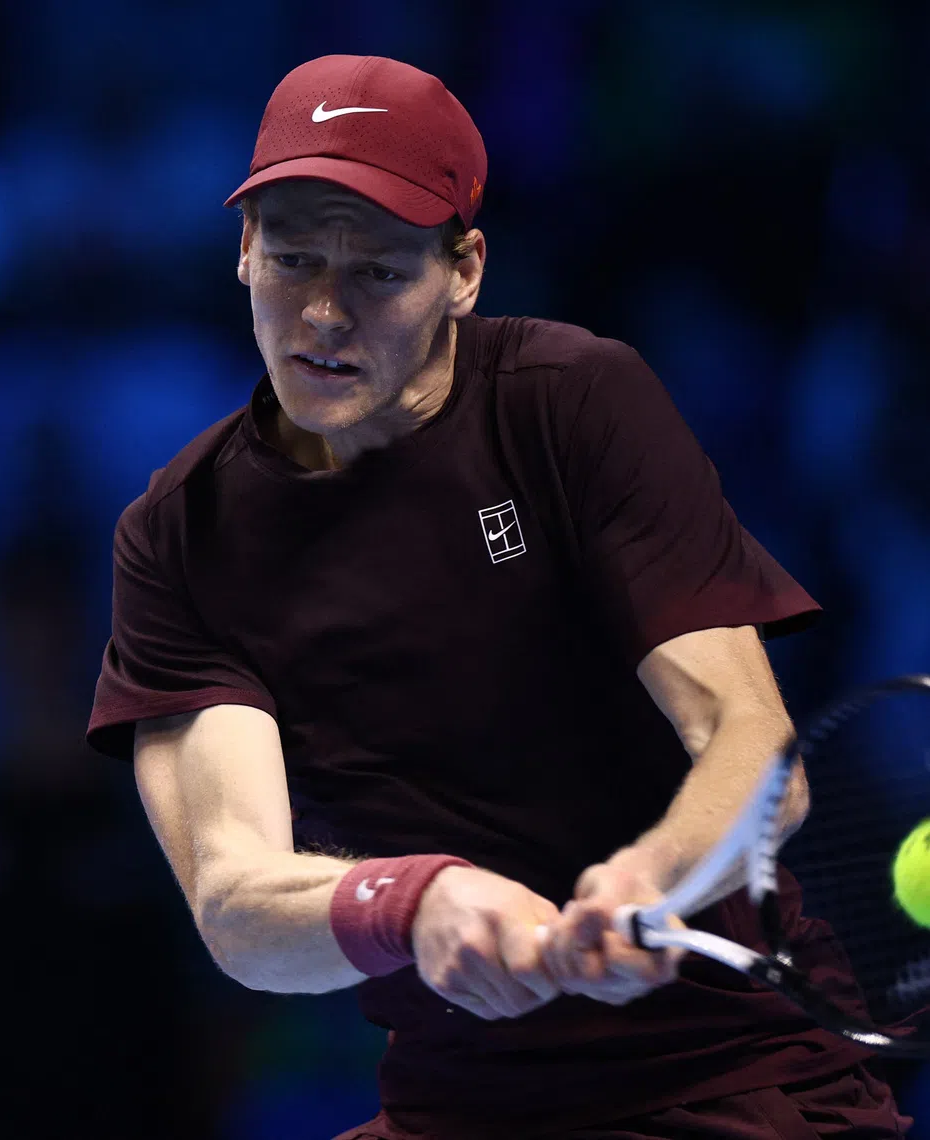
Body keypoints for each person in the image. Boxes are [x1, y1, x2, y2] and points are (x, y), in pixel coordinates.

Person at [87, 55, 910, 1139]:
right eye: (292, 259)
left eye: (378, 272)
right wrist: (414, 902)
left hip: (734, 1084)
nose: (323, 313)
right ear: (243, 253)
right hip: (457, 1104)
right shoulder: (181, 534)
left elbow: (755, 749)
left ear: (464, 270)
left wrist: (649, 879)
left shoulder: (572, 403)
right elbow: (240, 909)